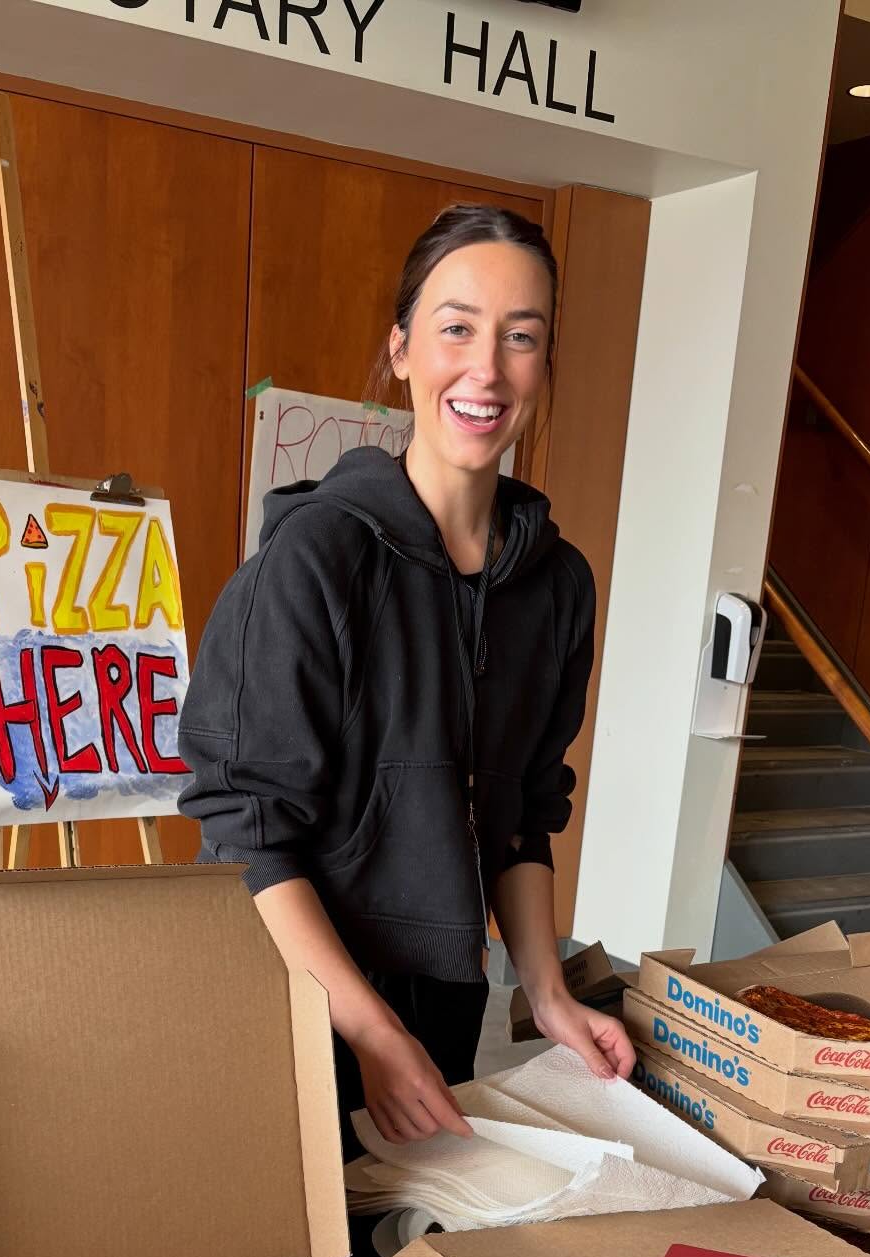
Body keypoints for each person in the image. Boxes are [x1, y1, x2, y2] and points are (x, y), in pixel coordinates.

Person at [178, 203, 635, 1160]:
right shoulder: (314, 562)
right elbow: (249, 834)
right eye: (457, 327)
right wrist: (373, 1034)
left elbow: (522, 813)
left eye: (522, 338)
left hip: (446, 989)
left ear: (544, 366)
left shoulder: (556, 585)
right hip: (293, 984)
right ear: (401, 348)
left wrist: (546, 995)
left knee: (410, 1253)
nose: (488, 369)